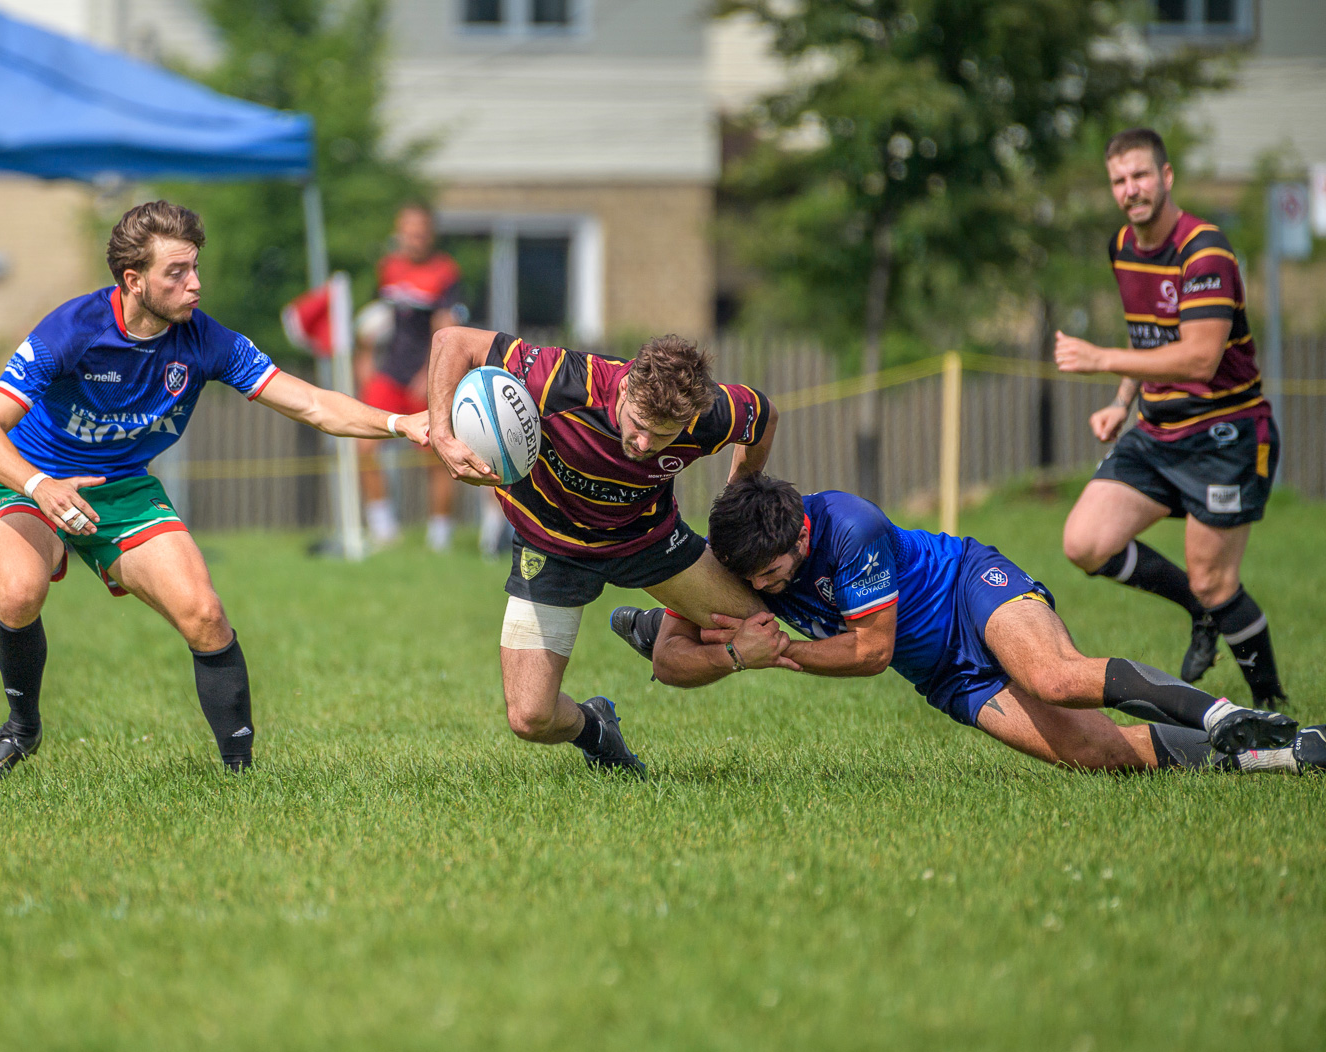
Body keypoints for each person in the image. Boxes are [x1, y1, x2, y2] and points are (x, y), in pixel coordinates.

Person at [0, 200, 429, 779]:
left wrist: (398, 423)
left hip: (123, 488)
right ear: (134, 281)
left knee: (205, 614)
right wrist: (40, 485)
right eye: (176, 272)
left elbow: (311, 403)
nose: (195, 285)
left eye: (195, 268)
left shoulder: (205, 341)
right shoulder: (72, 330)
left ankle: (241, 778)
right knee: (19, 593)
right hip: (31, 477)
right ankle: (22, 728)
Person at [609, 474, 1315, 775]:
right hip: (944, 675)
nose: (763, 588)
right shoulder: (738, 556)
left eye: (774, 575)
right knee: (1097, 756)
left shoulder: (851, 526)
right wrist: (732, 654)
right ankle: (1278, 754)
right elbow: (669, 664)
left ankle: (1222, 714)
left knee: (1055, 677)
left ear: (799, 533)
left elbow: (872, 651)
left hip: (967, 591)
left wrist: (781, 650)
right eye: (751, 579)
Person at [427, 326, 775, 776]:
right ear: (626, 386)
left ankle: (658, 629)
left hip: (646, 540)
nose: (645, 445)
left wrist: (735, 503)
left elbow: (763, 418)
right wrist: (442, 434)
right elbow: (452, 341)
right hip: (550, 545)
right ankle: (596, 730)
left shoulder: (709, 415)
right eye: (640, 425)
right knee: (531, 718)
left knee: (758, 625)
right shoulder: (559, 380)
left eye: (664, 435)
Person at [1055, 127, 1286, 708]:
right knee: (1084, 542)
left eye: (1139, 175)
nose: (1130, 189)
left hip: (1225, 435)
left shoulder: (1204, 249)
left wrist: (1100, 360)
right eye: (1118, 180)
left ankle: (1273, 709)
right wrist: (1121, 401)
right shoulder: (1123, 247)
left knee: (1216, 580)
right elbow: (1149, 336)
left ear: (1166, 177)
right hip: (1158, 430)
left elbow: (1200, 357)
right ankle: (1196, 610)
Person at [357, 205, 466, 550]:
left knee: (437, 454)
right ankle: (383, 529)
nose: (414, 236)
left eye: (421, 230)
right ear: (399, 231)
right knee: (363, 446)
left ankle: (440, 536)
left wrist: (432, 373)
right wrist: (364, 358)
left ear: (430, 233)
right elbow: (373, 321)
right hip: (389, 372)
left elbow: (447, 327)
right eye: (408, 229)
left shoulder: (445, 272)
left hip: (426, 375)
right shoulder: (388, 268)